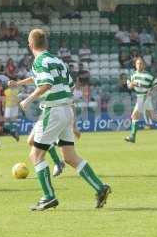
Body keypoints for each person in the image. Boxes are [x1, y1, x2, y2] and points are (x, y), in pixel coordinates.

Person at [8, 28, 111, 211]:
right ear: (45, 43)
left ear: (30, 44)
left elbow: (46, 83)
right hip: (66, 110)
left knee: (36, 155)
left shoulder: (38, 61)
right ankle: (100, 187)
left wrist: (27, 99)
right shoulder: (57, 61)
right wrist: (20, 83)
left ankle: (48, 196)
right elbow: (65, 85)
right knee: (70, 157)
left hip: (53, 111)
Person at [125, 57, 157, 143]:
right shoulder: (132, 75)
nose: (139, 65)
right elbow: (129, 86)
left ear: (144, 65)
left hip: (144, 97)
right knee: (154, 117)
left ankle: (132, 136)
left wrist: (151, 91)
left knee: (134, 115)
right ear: (135, 65)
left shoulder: (148, 75)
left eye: (141, 63)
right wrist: (132, 84)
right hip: (140, 97)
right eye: (138, 63)